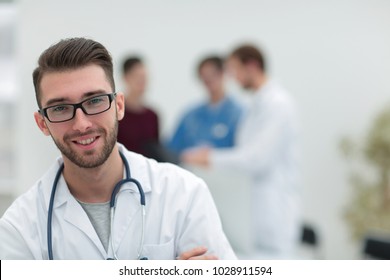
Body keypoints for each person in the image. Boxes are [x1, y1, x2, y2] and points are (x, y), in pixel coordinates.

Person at [0, 37, 236, 260]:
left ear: (119, 106)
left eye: (94, 101)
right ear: (42, 123)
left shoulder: (184, 194)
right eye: (60, 108)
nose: (81, 124)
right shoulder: (20, 227)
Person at [182, 44, 301, 258]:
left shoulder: (278, 104)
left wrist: (209, 157)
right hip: (253, 211)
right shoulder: (256, 105)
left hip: (274, 213)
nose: (233, 78)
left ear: (252, 66)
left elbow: (257, 159)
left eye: (235, 70)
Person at [167, 56, 242, 156]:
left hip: (227, 170)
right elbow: (172, 150)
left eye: (213, 74)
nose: (209, 80)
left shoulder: (239, 114)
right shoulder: (190, 116)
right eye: (204, 76)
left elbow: (245, 152)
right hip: (190, 169)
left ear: (224, 74)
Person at [117, 56, 160, 159]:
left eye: (144, 77)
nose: (142, 82)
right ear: (126, 78)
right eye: (137, 77)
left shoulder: (152, 116)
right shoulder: (116, 112)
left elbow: (156, 150)